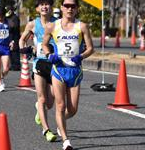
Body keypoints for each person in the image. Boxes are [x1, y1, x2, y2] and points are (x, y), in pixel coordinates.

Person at [42, 0, 94, 149]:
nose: (69, 8)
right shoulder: (52, 26)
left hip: (75, 71)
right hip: (58, 69)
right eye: (67, 5)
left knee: (72, 109)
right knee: (60, 105)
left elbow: (90, 48)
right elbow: (44, 44)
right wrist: (49, 55)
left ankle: (60, 122)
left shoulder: (82, 26)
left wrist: (81, 56)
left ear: (77, 8)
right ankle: (66, 141)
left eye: (73, 6)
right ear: (62, 8)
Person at [19, 0, 57, 142]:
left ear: (51, 7)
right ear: (37, 8)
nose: (44, 7)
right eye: (41, 4)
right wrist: (25, 50)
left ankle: (39, 110)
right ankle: (46, 130)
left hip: (54, 65)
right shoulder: (32, 24)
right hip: (39, 63)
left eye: (47, 4)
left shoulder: (57, 23)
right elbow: (22, 40)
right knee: (41, 98)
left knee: (50, 103)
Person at [0, 6, 15, 92]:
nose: (0, 18)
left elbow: (12, 35)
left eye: (2, 16)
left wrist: (12, 42)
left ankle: (0, 77)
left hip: (5, 47)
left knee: (6, 68)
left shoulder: (9, 23)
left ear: (4, 15)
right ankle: (1, 84)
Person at [5, 5, 21, 71]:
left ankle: (16, 65)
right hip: (9, 37)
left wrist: (10, 27)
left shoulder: (15, 18)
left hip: (15, 37)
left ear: (11, 10)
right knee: (11, 52)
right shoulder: (7, 18)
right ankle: (12, 65)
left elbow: (15, 27)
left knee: (15, 51)